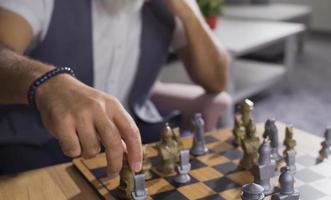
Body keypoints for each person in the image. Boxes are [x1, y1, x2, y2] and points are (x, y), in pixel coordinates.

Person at [0, 0, 230, 175]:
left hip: (135, 134)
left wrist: (186, 11)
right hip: (36, 141)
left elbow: (216, 81)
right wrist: (49, 83)